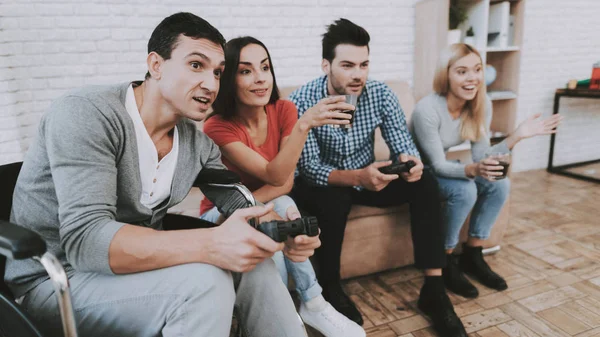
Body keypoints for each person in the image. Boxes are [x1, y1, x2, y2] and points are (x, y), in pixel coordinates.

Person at [5, 13, 319, 337]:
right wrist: (211, 243)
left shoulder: (197, 144)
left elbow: (241, 203)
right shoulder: (86, 114)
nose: (211, 84)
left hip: (137, 271)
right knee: (204, 284)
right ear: (156, 65)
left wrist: (279, 230)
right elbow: (86, 242)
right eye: (196, 65)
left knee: (256, 265)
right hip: (56, 280)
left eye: (218, 72)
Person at [289, 18, 469, 337]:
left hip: (371, 176)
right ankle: (331, 287)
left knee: (424, 180)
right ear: (325, 65)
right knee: (334, 196)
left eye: (364, 64)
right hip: (325, 183)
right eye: (347, 65)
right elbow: (309, 168)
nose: (358, 74)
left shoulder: (380, 93)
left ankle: (434, 288)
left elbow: (401, 138)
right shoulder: (303, 100)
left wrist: (408, 161)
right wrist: (355, 175)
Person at [200, 36, 365, 337]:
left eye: (265, 67)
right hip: (219, 215)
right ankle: (300, 307)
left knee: (285, 207)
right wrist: (305, 125)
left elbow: (287, 179)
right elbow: (276, 176)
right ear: (228, 79)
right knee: (283, 206)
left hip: (267, 203)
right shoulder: (217, 126)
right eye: (246, 70)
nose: (261, 78)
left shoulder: (283, 109)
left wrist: (271, 196)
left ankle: (310, 304)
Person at [410, 43, 562, 298]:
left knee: (499, 182)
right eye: (462, 71)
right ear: (445, 74)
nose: (473, 78)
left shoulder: (481, 103)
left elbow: (482, 156)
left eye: (477, 69)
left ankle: (473, 253)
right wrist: (472, 169)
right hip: (420, 173)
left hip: (443, 168)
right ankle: (445, 260)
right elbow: (436, 165)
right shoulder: (428, 109)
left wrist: (517, 136)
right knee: (465, 190)